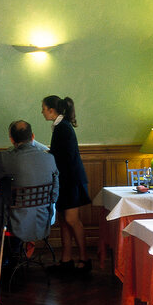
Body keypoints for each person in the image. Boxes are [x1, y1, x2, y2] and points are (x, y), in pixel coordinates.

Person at [41, 95, 92, 274]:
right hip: (66, 180)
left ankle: (85, 259)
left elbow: (66, 157)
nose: (42, 112)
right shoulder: (61, 126)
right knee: (63, 221)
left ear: (51, 110)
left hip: (70, 181)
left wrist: (48, 155)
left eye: (44, 108)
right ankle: (66, 260)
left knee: (72, 220)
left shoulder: (63, 127)